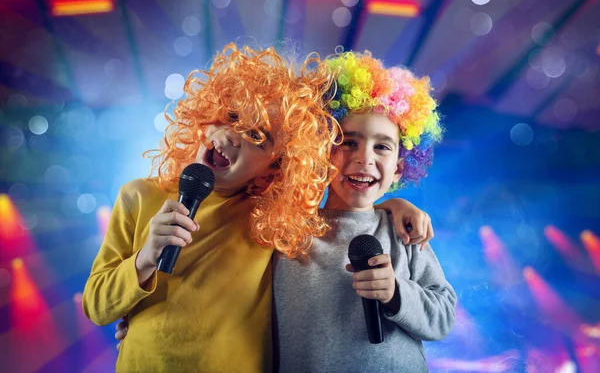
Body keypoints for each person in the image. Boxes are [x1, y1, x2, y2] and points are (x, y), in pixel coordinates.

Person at [83, 44, 434, 373]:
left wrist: (390, 205)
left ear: (276, 166)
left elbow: (349, 217)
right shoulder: (138, 197)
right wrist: (145, 258)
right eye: (231, 115)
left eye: (257, 136)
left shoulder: (274, 221)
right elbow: (97, 306)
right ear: (207, 114)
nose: (233, 135)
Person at [272, 51, 456, 372]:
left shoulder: (404, 233)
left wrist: (396, 293)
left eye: (382, 146)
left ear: (399, 168)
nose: (365, 158)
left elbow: (443, 316)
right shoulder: (285, 228)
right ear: (319, 150)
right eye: (347, 142)